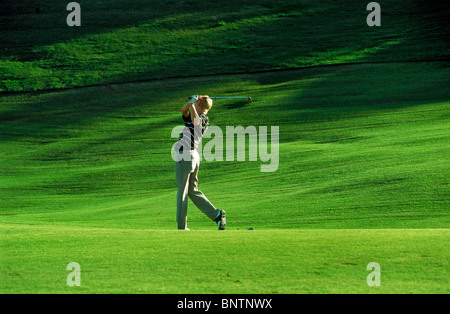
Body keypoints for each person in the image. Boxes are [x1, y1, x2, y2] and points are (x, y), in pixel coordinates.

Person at [174, 95, 226, 230]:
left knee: (182, 192)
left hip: (186, 156)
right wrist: (190, 102)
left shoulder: (202, 118)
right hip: (192, 156)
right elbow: (183, 111)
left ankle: (181, 227)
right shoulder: (193, 117)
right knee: (192, 190)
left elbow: (196, 121)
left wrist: (192, 105)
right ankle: (217, 215)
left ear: (199, 106)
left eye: (196, 104)